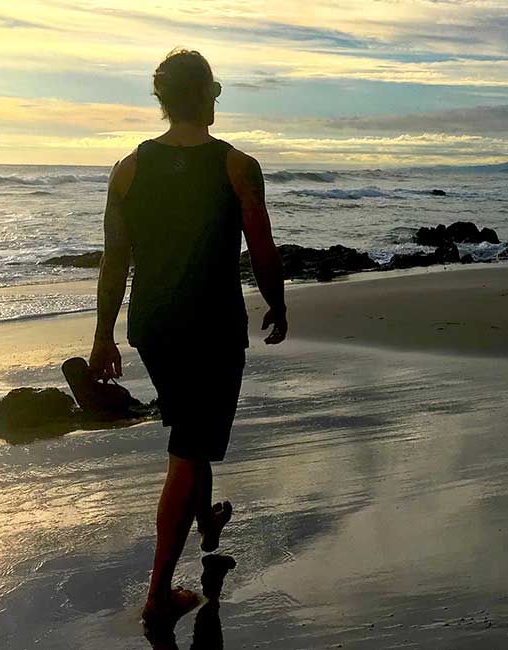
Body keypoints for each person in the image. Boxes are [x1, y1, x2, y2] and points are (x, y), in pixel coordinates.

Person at [87, 48, 288, 629]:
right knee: (191, 446)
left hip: (152, 325)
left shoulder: (126, 169)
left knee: (191, 427)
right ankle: (157, 596)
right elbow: (262, 245)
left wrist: (105, 336)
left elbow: (113, 261)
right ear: (208, 96)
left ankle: (206, 520)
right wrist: (277, 303)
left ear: (162, 101)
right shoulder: (236, 166)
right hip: (212, 326)